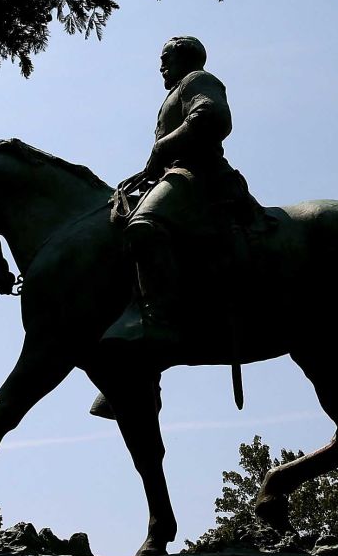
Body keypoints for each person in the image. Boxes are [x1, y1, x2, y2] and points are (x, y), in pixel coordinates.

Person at [91, 36, 249, 419]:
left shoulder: (198, 79)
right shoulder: (175, 90)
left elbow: (210, 117)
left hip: (199, 177)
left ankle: (159, 326)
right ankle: (143, 369)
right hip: (174, 176)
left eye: (166, 60)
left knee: (143, 225)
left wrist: (163, 148)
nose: (161, 67)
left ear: (184, 59)